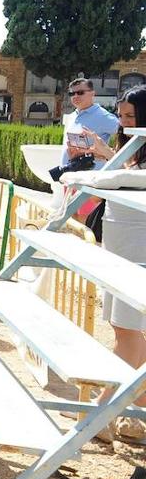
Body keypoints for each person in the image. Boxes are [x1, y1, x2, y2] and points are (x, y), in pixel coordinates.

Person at [86, 85, 146, 442]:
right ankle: (134, 414)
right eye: (121, 116)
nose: (123, 123)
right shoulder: (133, 150)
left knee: (126, 332)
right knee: (127, 331)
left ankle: (103, 411)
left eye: (130, 117)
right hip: (119, 253)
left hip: (137, 256)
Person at [62, 77, 119, 169]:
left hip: (92, 176)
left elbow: (127, 135)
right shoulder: (71, 116)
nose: (75, 96)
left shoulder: (103, 116)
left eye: (80, 93)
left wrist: (110, 153)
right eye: (72, 93)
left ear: (93, 93)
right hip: (69, 174)